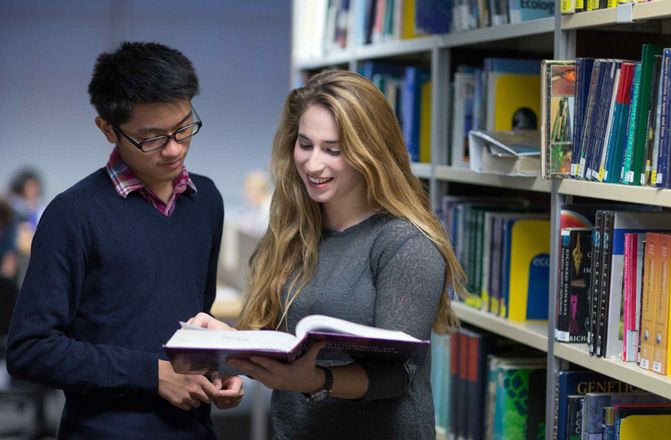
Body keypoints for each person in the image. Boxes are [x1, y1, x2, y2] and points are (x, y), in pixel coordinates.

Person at [188, 70, 465, 439]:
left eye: (333, 150)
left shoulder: (404, 244)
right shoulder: (292, 231)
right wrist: (229, 345)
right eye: (305, 144)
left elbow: (398, 376)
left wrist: (319, 379)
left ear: (371, 153)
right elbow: (285, 347)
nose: (313, 164)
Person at [6, 41, 243, 439]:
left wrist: (217, 364)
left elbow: (193, 317)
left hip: (193, 429)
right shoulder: (74, 215)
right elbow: (30, 349)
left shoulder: (207, 201)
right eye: (151, 138)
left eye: (184, 127)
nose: (174, 148)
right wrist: (154, 375)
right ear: (107, 129)